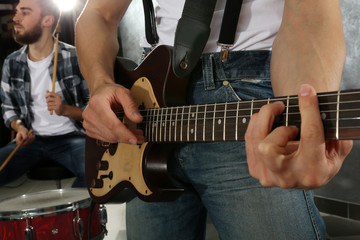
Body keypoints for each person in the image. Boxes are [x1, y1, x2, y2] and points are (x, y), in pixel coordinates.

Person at [75, 0, 353, 239]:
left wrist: (305, 122)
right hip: (147, 102)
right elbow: (98, 13)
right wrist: (99, 83)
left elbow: (309, 15)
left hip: (246, 102)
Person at [0, 0, 89, 188]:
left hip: (72, 137)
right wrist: (19, 127)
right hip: (32, 138)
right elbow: (9, 108)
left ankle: (75, 217)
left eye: (24, 13)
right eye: (16, 12)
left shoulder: (75, 56)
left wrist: (65, 110)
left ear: (47, 20)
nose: (15, 18)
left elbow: (95, 109)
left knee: (94, 171)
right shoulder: (12, 62)